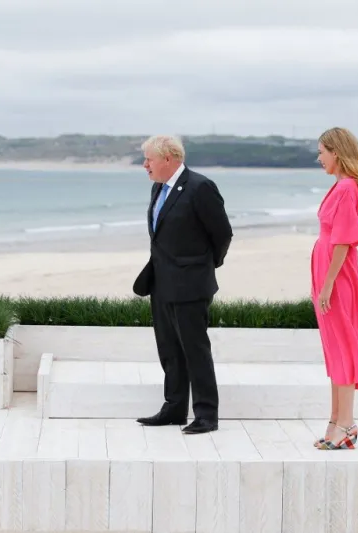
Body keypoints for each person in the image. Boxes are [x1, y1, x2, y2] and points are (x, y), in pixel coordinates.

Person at [132, 135, 233, 435]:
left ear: (168, 159)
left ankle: (206, 415)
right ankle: (174, 408)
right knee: (169, 350)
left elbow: (222, 234)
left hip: (191, 285)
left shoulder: (200, 187)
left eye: (149, 159)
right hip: (161, 282)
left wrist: (204, 266)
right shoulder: (158, 187)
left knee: (195, 350)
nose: (145, 165)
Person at [312, 127, 358, 451]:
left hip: (337, 276)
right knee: (335, 347)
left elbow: (343, 241)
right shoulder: (340, 186)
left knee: (343, 347)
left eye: (322, 151)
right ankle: (335, 420)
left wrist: (327, 285)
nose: (319, 158)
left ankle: (346, 424)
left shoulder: (347, 188)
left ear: (336, 152)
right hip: (329, 272)